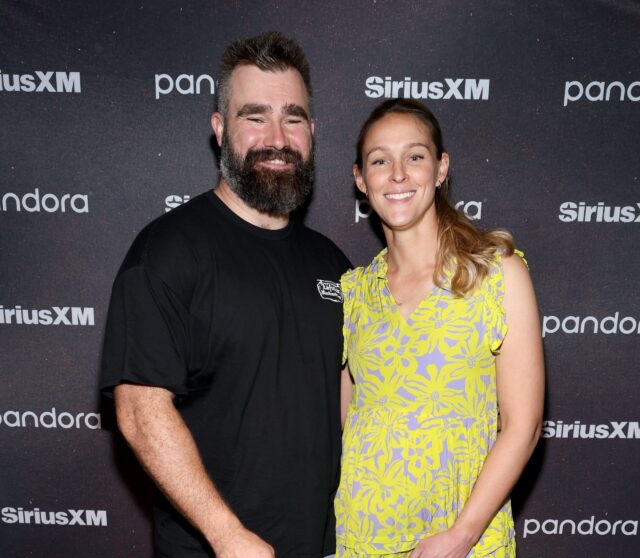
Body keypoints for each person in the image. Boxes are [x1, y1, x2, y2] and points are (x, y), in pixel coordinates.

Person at [101, 32, 350, 558]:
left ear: (312, 132)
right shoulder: (168, 251)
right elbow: (141, 410)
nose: (277, 138)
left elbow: (353, 403)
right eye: (254, 117)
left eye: (293, 118)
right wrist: (227, 535)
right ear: (220, 129)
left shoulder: (332, 264)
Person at [336, 99, 544, 558]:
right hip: (365, 537)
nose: (398, 175)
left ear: (441, 168)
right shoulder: (354, 293)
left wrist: (461, 536)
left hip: (465, 541)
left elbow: (523, 426)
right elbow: (351, 422)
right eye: (379, 161)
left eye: (414, 156)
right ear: (360, 179)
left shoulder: (496, 274)